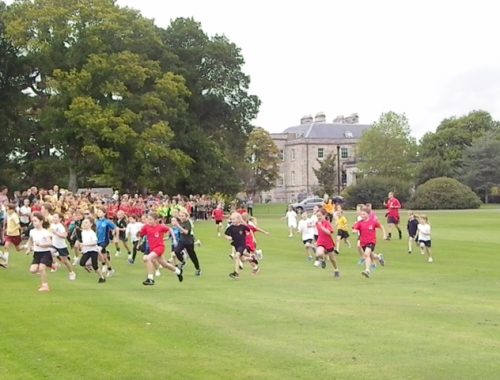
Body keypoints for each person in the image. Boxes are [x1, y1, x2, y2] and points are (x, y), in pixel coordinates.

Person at [140, 213, 183, 286]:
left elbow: (170, 229)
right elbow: (141, 235)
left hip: (160, 247)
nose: (149, 221)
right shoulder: (146, 227)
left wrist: (174, 239)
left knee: (147, 258)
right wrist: (139, 240)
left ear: (156, 220)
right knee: (164, 264)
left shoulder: (160, 227)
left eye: (151, 219)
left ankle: (150, 279)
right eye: (148, 219)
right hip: (153, 249)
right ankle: (178, 271)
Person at [352, 207, 387, 278]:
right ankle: (379, 257)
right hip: (363, 243)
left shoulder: (373, 222)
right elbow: (354, 229)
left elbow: (381, 226)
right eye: (361, 214)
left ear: (368, 214)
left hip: (371, 242)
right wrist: (354, 231)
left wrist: (384, 235)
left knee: (366, 254)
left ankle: (367, 270)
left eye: (364, 214)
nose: (362, 216)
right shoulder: (360, 223)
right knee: (372, 256)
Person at [225, 212, 258, 280]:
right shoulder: (231, 227)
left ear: (238, 219)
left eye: (234, 219)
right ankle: (252, 258)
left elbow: (250, 230)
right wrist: (228, 238)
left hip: (242, 245)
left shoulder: (243, 227)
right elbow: (226, 234)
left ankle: (236, 273)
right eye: (232, 219)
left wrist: (253, 238)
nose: (232, 221)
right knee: (243, 259)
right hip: (236, 246)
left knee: (236, 256)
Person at [26, 213, 53, 292]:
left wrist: (41, 244)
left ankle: (45, 286)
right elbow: (30, 240)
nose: (34, 223)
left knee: (41, 268)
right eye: (33, 221)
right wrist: (28, 249)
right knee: (32, 270)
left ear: (41, 221)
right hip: (37, 254)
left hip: (45, 253)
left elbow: (50, 243)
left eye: (35, 221)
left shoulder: (45, 232)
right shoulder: (32, 231)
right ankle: (52, 265)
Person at [172, 211, 202, 276]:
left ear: (186, 216)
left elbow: (186, 232)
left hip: (189, 242)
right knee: (176, 251)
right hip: (182, 241)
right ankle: (183, 261)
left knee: (192, 256)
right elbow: (175, 218)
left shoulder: (188, 223)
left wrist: (178, 226)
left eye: (183, 216)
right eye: (180, 216)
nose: (181, 217)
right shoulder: (180, 221)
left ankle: (198, 269)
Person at [50, 212, 76, 280]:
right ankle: (55, 264)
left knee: (65, 261)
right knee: (48, 252)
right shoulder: (52, 225)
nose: (54, 218)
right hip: (54, 244)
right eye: (53, 217)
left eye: (55, 217)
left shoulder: (60, 226)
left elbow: (64, 236)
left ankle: (71, 272)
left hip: (61, 246)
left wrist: (56, 233)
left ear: (60, 219)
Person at [314, 209, 340, 277]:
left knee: (332, 259)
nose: (319, 217)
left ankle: (336, 269)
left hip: (328, 243)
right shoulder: (317, 223)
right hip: (321, 242)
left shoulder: (327, 223)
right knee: (319, 253)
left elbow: (329, 232)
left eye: (320, 216)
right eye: (317, 216)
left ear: (324, 215)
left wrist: (321, 227)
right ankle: (323, 260)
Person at [79, 217, 106, 283]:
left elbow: (94, 242)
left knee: (95, 266)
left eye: (86, 222)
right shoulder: (83, 232)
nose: (84, 224)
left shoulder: (92, 233)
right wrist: (83, 248)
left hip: (93, 251)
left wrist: (85, 244)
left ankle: (101, 277)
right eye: (84, 222)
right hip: (86, 251)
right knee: (82, 263)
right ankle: (88, 266)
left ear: (91, 224)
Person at [95, 207, 116, 277]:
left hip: (105, 240)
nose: (98, 213)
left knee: (98, 251)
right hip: (97, 240)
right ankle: (110, 269)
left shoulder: (107, 221)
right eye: (98, 212)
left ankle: (103, 265)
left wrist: (115, 237)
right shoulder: (96, 221)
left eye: (100, 212)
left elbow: (115, 228)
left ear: (104, 213)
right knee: (103, 256)